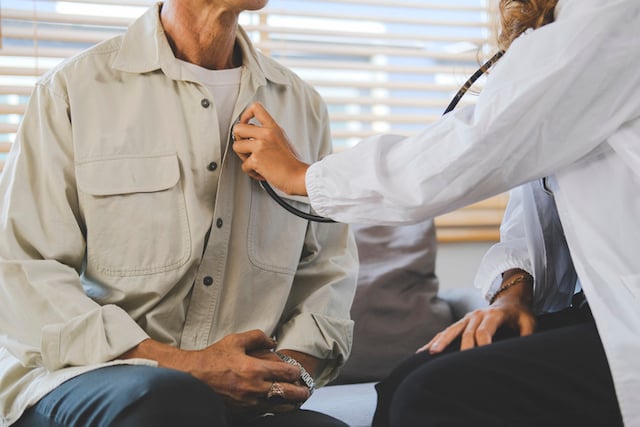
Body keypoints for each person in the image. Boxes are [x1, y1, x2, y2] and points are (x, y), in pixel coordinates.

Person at [232, 0, 640, 425]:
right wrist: (513, 292)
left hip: (622, 320)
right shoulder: (561, 28)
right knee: (406, 378)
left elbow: (485, 143)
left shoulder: (615, 13)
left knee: (431, 397)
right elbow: (535, 197)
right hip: (601, 312)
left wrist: (304, 176)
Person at [0, 1, 358, 426]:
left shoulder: (303, 106)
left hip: (235, 396)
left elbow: (326, 271)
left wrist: (282, 375)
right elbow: (22, 269)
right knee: (169, 403)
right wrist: (183, 366)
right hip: (85, 375)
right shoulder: (72, 90)